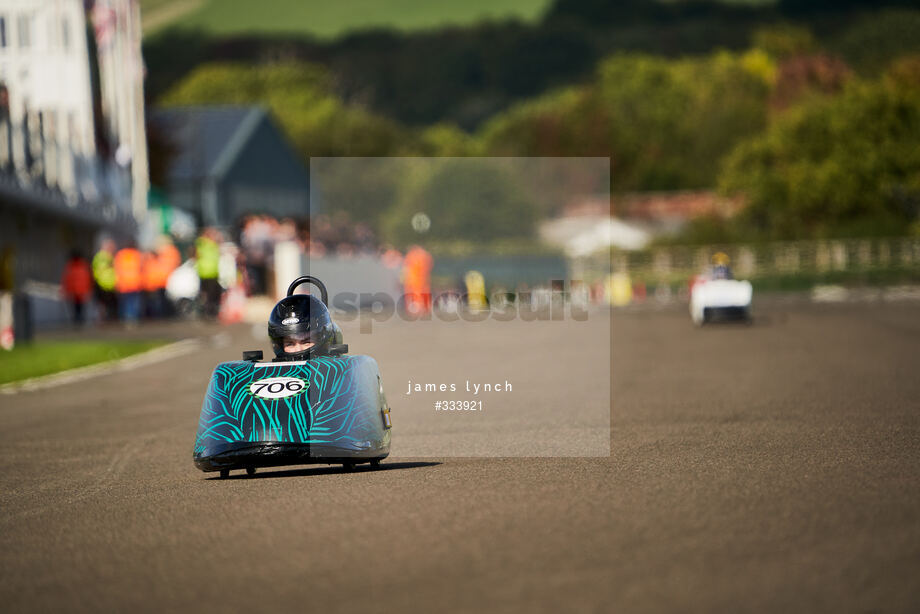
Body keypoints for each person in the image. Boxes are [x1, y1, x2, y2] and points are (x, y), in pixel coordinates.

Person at [267, 293, 339, 361]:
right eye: (290, 344)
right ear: (280, 345)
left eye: (306, 342)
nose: (298, 349)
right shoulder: (276, 372)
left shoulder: (337, 370)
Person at [114, 240, 143, 325]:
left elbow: (117, 270)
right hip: (134, 284)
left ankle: (126, 319)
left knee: (125, 303)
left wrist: (117, 282)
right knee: (133, 303)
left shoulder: (121, 254)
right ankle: (132, 319)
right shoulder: (136, 254)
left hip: (124, 284)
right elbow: (141, 269)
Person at [60, 250, 93, 325]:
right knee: (79, 309)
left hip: (75, 292)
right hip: (80, 292)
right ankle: (79, 322)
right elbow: (88, 280)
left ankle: (78, 322)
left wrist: (65, 290)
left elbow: (66, 280)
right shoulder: (83, 266)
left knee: (76, 309)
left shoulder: (71, 267)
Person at [195, 228, 222, 318]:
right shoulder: (209, 244)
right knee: (211, 294)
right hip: (210, 272)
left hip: (204, 271)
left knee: (206, 293)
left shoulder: (201, 244)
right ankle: (209, 311)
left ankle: (207, 311)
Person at [92, 239, 118, 321]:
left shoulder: (107, 257)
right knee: (103, 305)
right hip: (103, 284)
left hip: (108, 284)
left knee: (107, 305)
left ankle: (106, 319)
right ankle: (103, 320)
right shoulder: (104, 257)